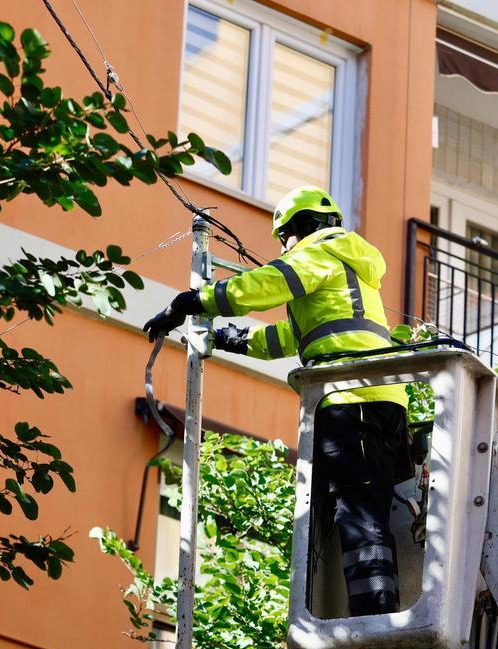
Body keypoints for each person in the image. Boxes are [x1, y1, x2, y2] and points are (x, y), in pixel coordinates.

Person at [143, 186, 409, 616]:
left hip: (348, 396)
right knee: (372, 511)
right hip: (386, 402)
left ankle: (373, 620)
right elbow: (290, 337)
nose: (284, 247)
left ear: (301, 227)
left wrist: (194, 300)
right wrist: (230, 339)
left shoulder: (320, 251)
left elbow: (269, 282)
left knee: (357, 515)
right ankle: (384, 611)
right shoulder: (351, 271)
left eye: (285, 237)